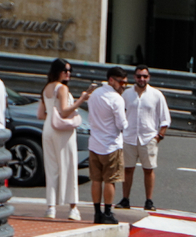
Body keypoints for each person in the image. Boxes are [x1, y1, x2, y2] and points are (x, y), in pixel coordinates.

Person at [36, 59, 92, 220]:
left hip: (48, 128)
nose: (68, 73)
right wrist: (82, 99)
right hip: (62, 131)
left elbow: (40, 114)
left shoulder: (46, 88)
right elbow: (65, 112)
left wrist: (53, 115)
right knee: (68, 166)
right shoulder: (62, 88)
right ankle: (73, 208)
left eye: (70, 70)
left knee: (51, 168)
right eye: (65, 70)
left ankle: (51, 207)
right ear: (58, 71)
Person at [115, 65, 170, 212]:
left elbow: (165, 119)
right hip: (129, 137)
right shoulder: (126, 94)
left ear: (149, 78)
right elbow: (119, 114)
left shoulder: (156, 95)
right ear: (134, 77)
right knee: (127, 170)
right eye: (139, 76)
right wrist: (121, 133)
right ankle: (125, 199)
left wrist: (159, 136)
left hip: (148, 138)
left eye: (144, 76)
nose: (141, 79)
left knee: (148, 170)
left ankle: (149, 201)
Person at [88, 67, 128, 224]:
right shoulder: (116, 98)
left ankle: (97, 213)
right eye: (121, 82)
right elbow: (121, 123)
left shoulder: (95, 94)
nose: (123, 85)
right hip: (111, 144)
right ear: (111, 80)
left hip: (95, 142)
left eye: (125, 82)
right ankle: (108, 212)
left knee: (96, 179)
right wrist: (127, 122)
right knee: (110, 180)